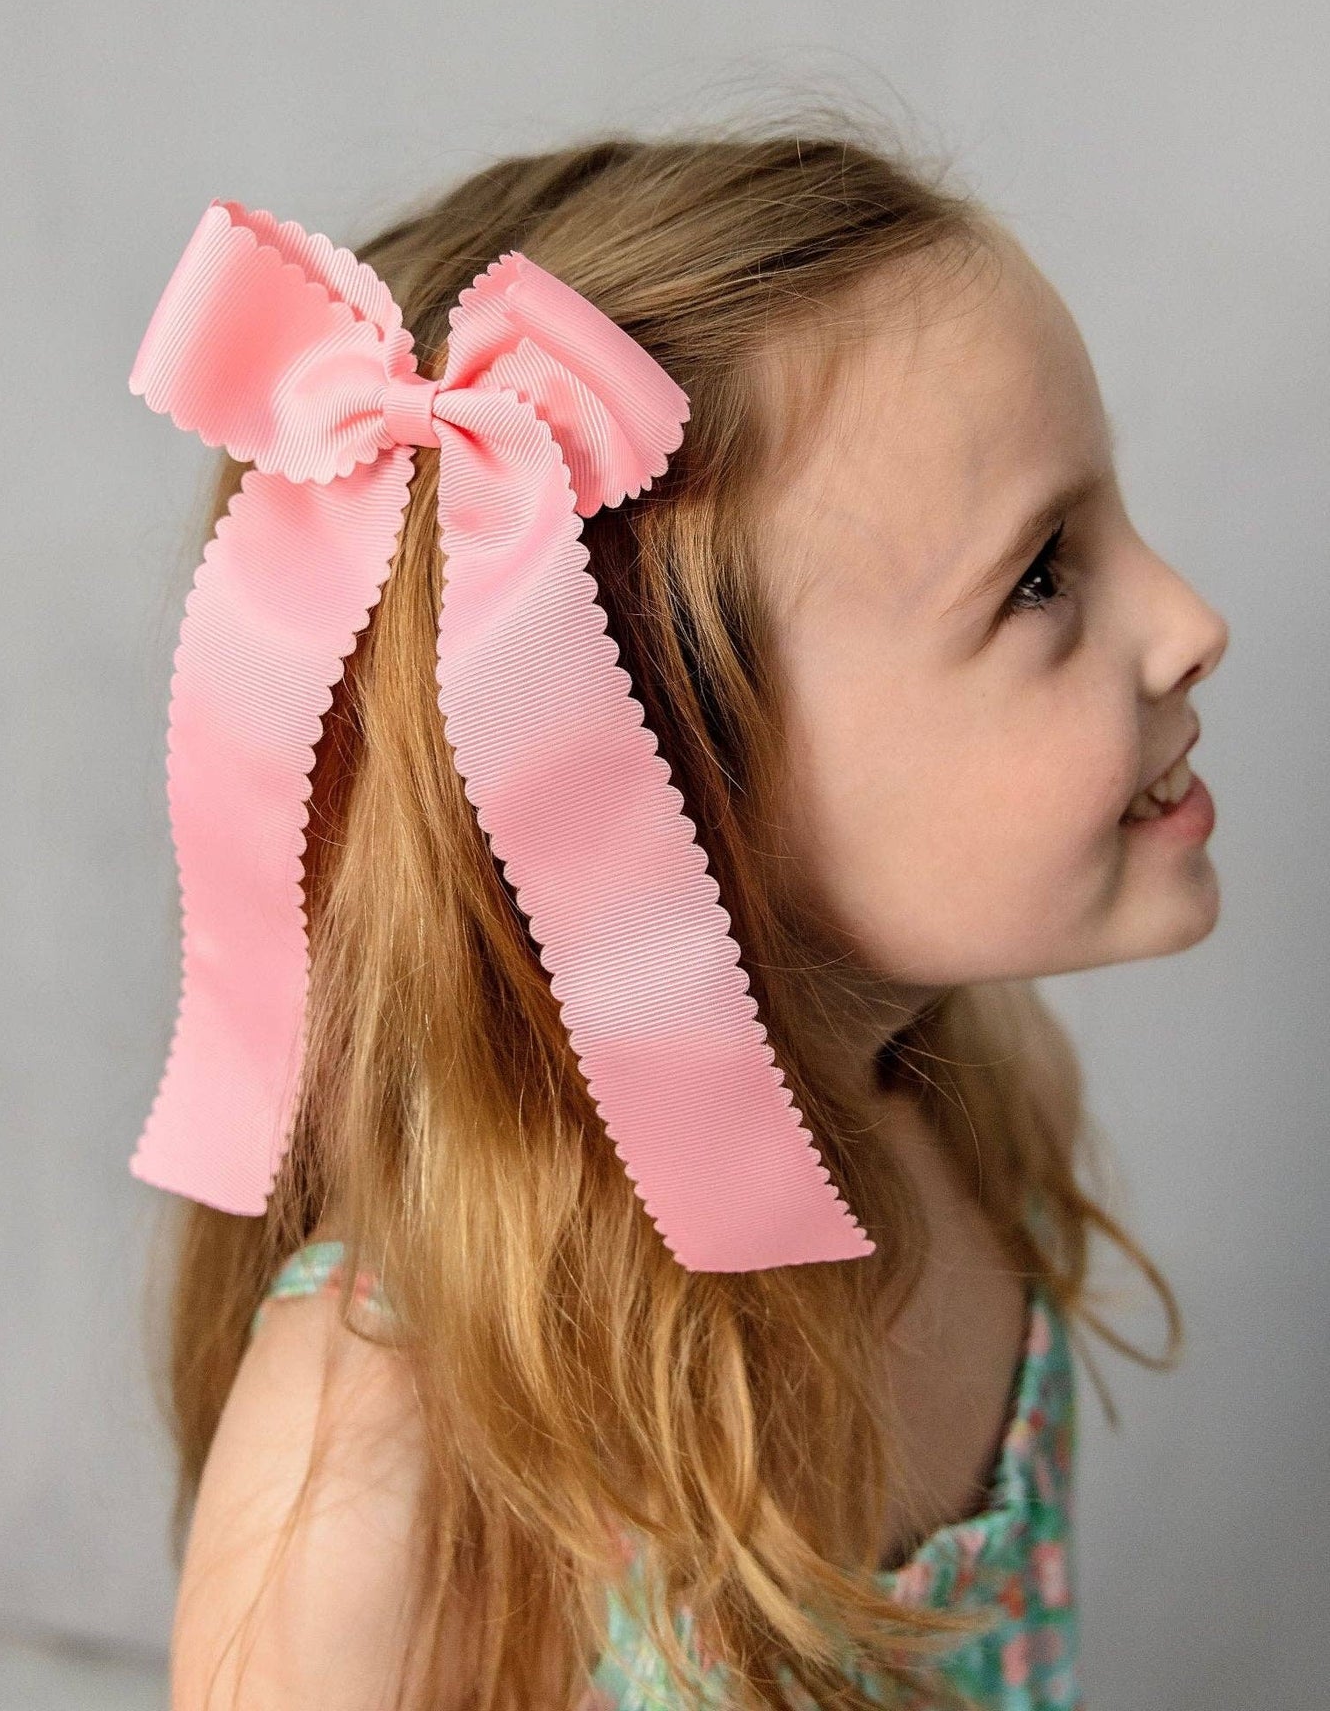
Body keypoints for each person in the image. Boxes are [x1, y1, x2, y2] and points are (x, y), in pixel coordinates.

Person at [146, 114, 1228, 1711]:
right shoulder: (377, 1461)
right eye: (1038, 578)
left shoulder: (971, 1125)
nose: (1191, 622)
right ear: (664, 779)